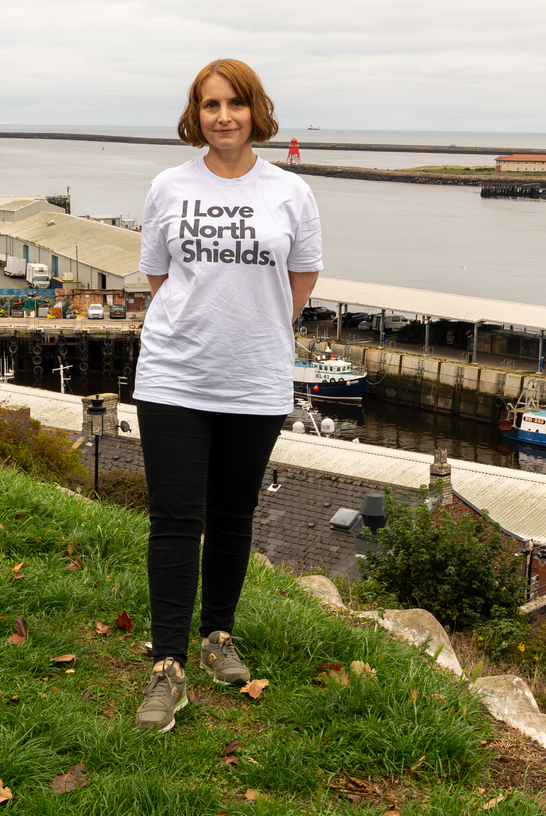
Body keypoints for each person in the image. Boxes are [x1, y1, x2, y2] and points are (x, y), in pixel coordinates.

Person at [132, 58, 322, 732]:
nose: (222, 117)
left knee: (233, 512)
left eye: (234, 104)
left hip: (255, 376)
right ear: (195, 113)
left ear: (255, 111)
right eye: (210, 105)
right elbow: (158, 276)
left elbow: (301, 277)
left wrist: (254, 329)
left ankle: (217, 637)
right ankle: (167, 668)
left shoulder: (290, 192)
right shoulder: (167, 186)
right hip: (174, 375)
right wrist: (199, 325)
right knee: (176, 516)